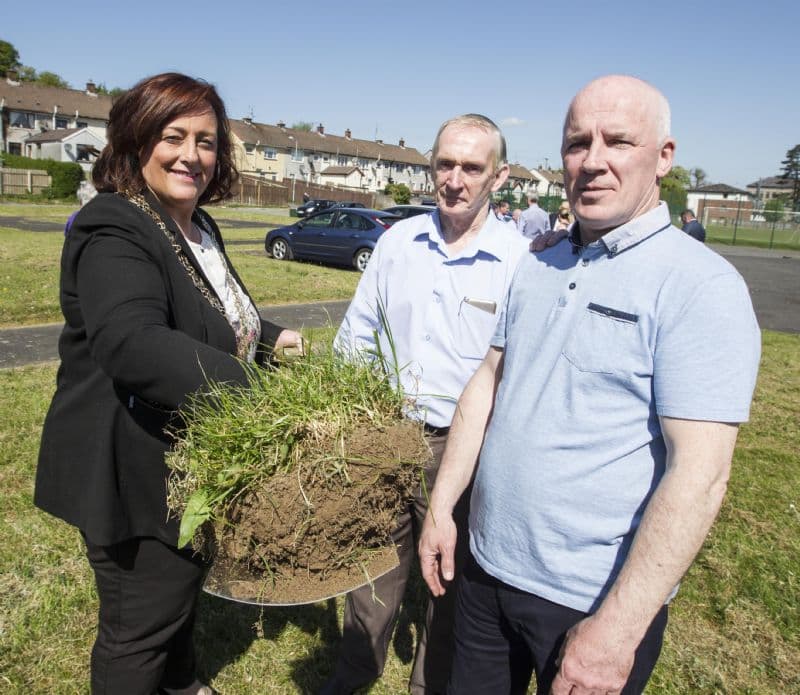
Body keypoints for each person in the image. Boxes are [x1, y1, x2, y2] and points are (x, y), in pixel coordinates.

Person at [419, 75, 761, 695]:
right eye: (578, 143)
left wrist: (616, 631)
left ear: (663, 157)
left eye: (618, 141)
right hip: (485, 572)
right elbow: (485, 386)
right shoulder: (540, 260)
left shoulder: (700, 287)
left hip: (587, 601)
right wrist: (444, 506)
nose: (593, 161)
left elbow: (701, 476)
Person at [35, 72, 303, 695]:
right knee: (137, 626)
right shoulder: (115, 225)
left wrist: (270, 337)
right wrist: (260, 396)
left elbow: (207, 311)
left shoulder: (196, 225)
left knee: (175, 589)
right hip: (129, 466)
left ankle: (179, 683)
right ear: (135, 141)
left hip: (181, 452)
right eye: (173, 136)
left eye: (206, 141)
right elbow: (135, 340)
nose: (192, 155)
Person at [325, 114, 530, 695]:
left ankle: (429, 685)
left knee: (448, 580)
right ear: (430, 168)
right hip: (385, 434)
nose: (456, 179)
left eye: (472, 167)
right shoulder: (397, 244)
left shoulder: (520, 263)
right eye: (446, 164)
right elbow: (358, 335)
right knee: (368, 570)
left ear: (500, 176)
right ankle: (353, 675)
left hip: (462, 452)